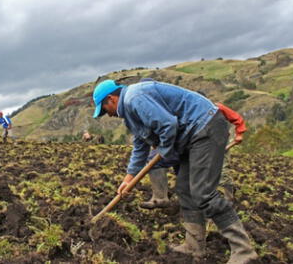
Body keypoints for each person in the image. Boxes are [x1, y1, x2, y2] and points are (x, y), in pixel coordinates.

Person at [92, 79, 257, 263]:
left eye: (105, 110)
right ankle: (194, 245)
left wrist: (163, 151)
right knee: (184, 189)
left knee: (203, 192)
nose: (108, 115)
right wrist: (128, 178)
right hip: (190, 137)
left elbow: (167, 125)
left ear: (111, 99)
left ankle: (244, 251)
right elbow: (140, 145)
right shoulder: (130, 111)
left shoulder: (135, 98)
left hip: (205, 128)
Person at [140, 101, 247, 209]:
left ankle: (228, 199)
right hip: (193, 141)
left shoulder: (216, 107)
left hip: (217, 139)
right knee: (182, 166)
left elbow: (236, 117)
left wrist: (240, 133)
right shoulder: (183, 111)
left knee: (221, 168)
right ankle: (164, 198)